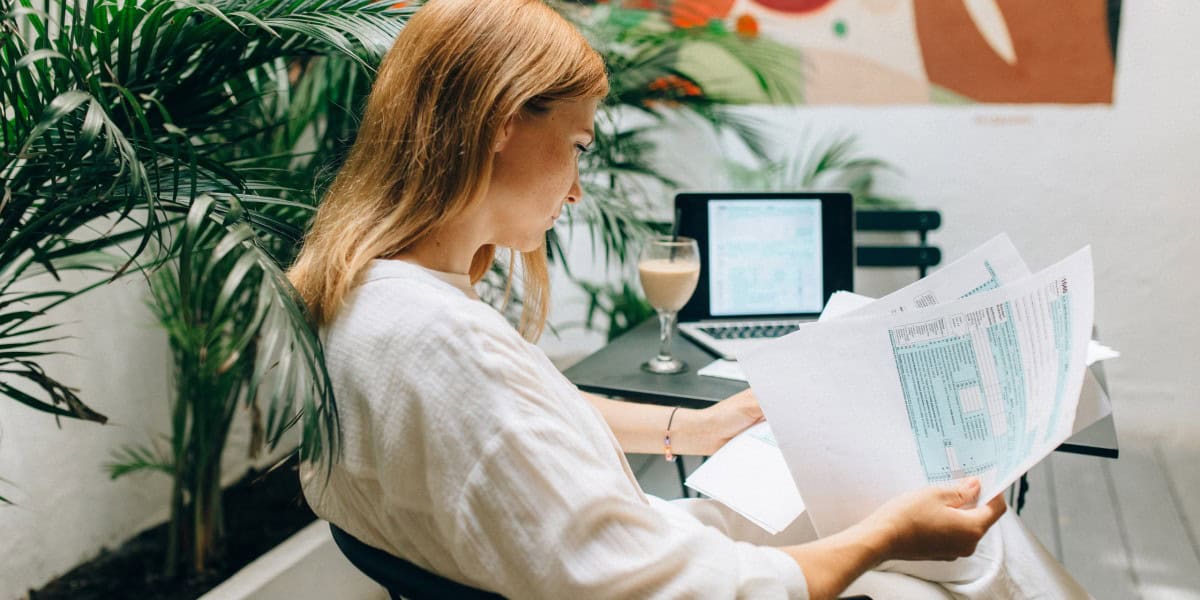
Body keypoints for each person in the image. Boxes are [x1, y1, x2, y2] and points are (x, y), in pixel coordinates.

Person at [287, 1, 1090, 598]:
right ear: (502, 122)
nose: (574, 189)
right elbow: (664, 586)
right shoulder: (439, 342)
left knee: (942, 525)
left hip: (599, 544)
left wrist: (696, 427)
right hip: (651, 567)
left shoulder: (372, 297)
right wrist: (883, 538)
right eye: (574, 147)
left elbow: (518, 419)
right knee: (970, 542)